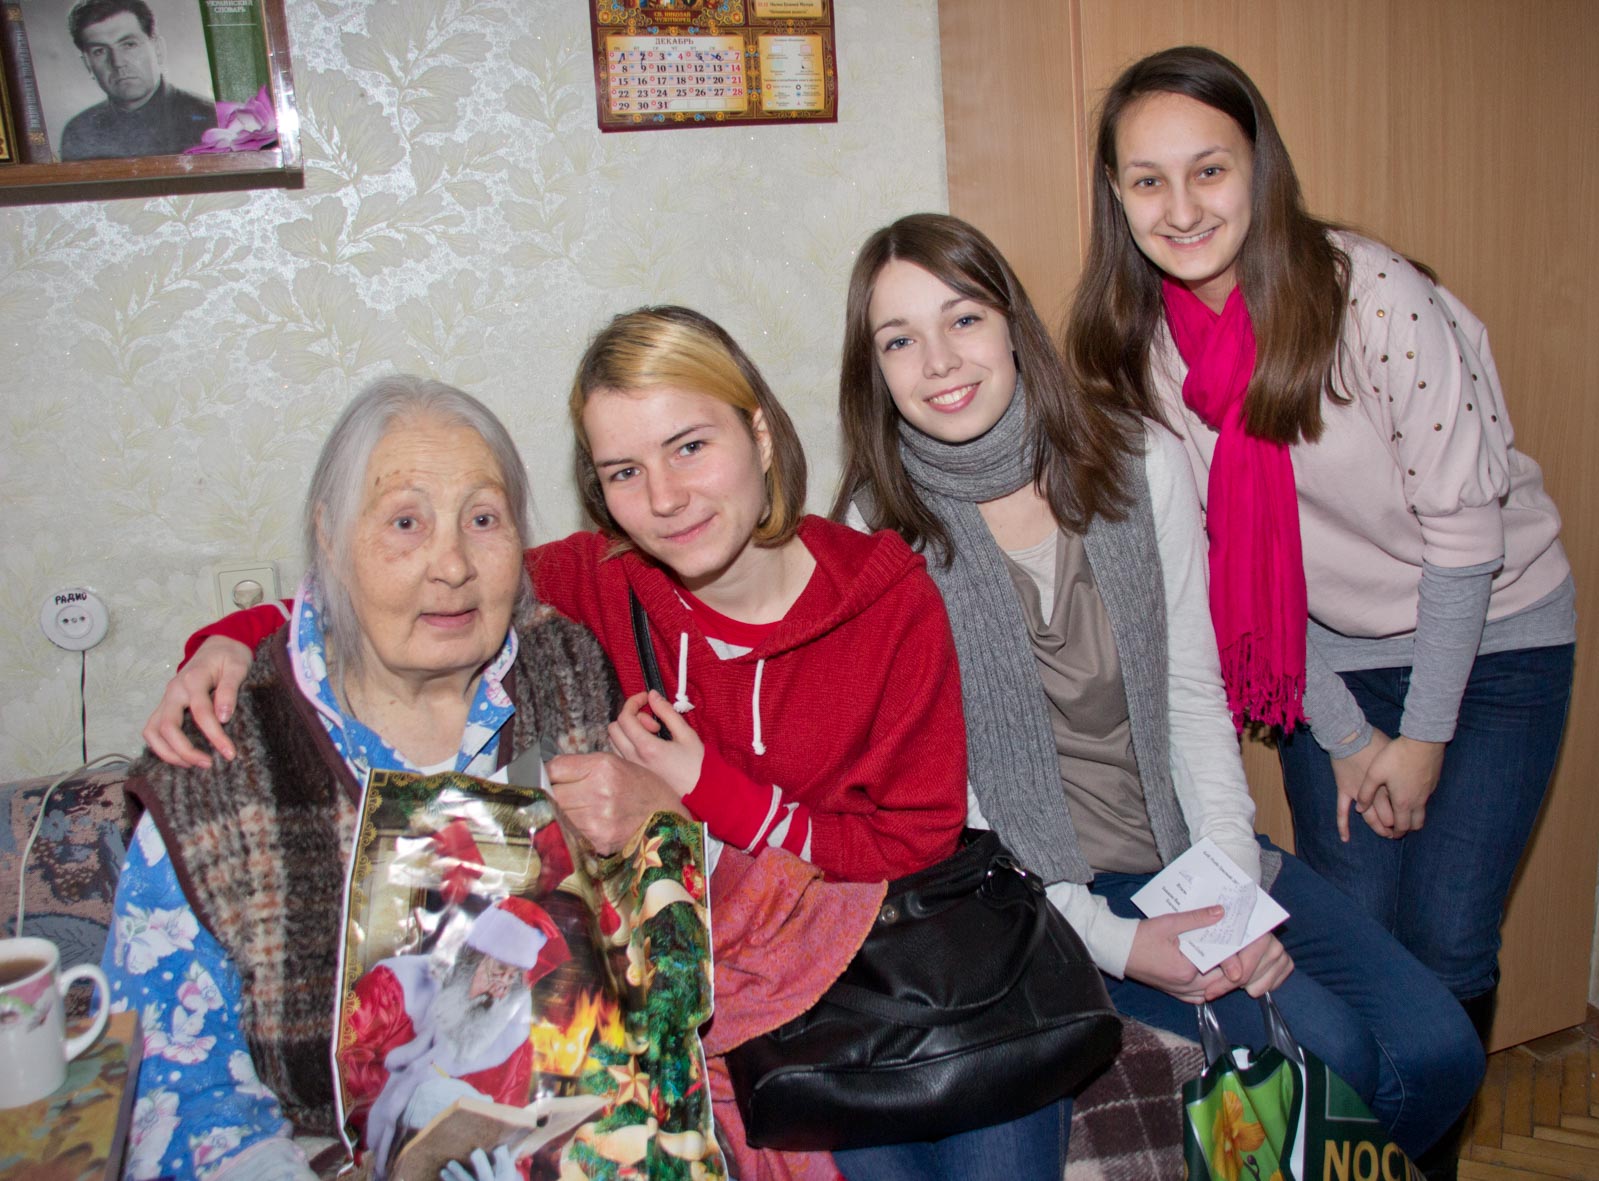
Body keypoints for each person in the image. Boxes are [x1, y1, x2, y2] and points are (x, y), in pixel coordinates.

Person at [150, 309, 1073, 1180]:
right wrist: (232, 639)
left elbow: (917, 837)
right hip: (755, 1012)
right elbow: (428, 588)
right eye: (624, 471)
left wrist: (707, 794)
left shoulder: (883, 598)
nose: (665, 499)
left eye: (690, 446)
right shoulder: (597, 587)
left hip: (897, 963)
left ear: (758, 434)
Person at [835, 212, 1485, 1161]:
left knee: (1441, 1052)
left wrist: (1230, 887)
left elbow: (1191, 694)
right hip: (1040, 898)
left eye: (963, 318)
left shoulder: (1133, 459)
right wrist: (1122, 943)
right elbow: (946, 808)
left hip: (1184, 846)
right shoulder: (874, 537)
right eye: (899, 340)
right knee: (1335, 1053)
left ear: (1012, 323)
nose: (939, 360)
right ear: (875, 370)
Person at [1065, 46, 1577, 1176]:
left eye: (1209, 169)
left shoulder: (1369, 294)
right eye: (1147, 180)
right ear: (1115, 194)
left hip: (1492, 641)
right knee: (1355, 942)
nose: (1180, 207)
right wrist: (1344, 734)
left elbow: (1465, 534)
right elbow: (1220, 572)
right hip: (1313, 667)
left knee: (1447, 938)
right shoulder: (1139, 351)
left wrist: (1422, 737)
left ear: (1261, 166)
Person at [106, 377, 707, 1181]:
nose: (452, 564)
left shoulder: (569, 668)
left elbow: (656, 972)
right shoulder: (216, 763)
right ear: (329, 538)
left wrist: (668, 819)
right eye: (405, 522)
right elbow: (181, 1099)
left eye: (483, 519)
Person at [352, 900, 568, 1176]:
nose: (499, 991)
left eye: (512, 979)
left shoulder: (512, 1038)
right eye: (498, 971)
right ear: (468, 959)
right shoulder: (394, 986)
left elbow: (514, 1142)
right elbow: (340, 1080)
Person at [59, 0, 215, 161]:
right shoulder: (78, 132)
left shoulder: (211, 119)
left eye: (129, 45)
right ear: (88, 65)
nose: (118, 63)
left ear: (158, 49)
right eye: (99, 51)